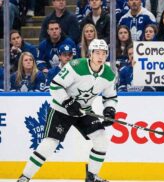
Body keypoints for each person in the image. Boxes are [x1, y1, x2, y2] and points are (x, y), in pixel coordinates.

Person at [17, 39, 117, 182]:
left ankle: (91, 177)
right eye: (97, 53)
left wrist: (109, 110)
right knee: (50, 143)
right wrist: (67, 102)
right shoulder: (75, 66)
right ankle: (25, 177)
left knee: (101, 139)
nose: (100, 56)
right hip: (61, 110)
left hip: (83, 111)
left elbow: (110, 97)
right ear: (90, 54)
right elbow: (55, 86)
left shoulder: (109, 74)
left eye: (103, 53)